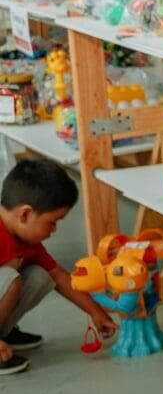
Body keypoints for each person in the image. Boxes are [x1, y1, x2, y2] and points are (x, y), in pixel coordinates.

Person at [0, 159, 119, 375]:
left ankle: (4, 332)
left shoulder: (27, 241)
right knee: (10, 279)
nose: (54, 230)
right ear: (25, 214)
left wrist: (96, 313)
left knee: (41, 275)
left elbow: (60, 277)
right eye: (52, 222)